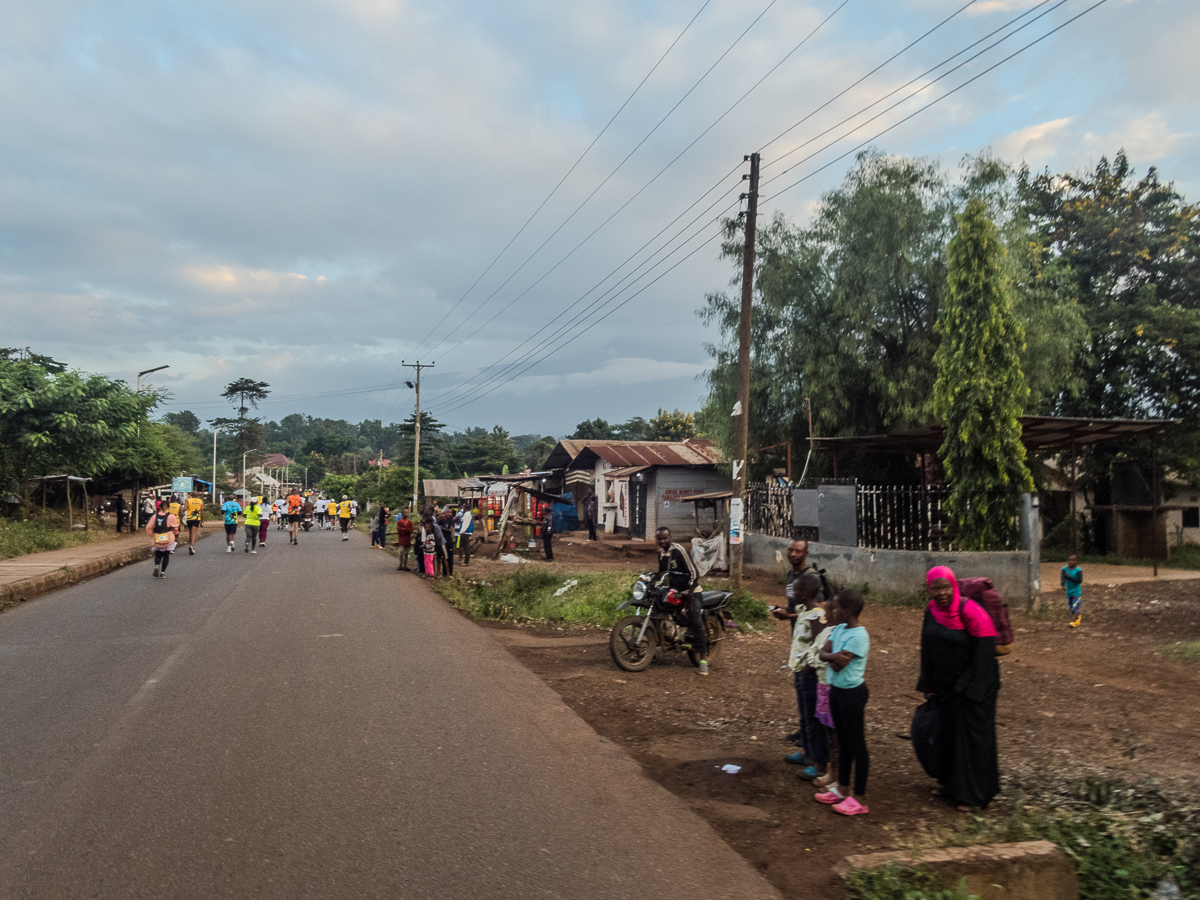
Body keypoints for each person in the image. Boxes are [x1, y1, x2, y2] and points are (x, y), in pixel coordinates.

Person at [918, 565, 1000, 812]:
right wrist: (928, 683)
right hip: (945, 688)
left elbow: (985, 653)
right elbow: (927, 647)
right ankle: (949, 785)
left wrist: (971, 688)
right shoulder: (931, 611)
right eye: (936, 588)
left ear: (953, 586)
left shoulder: (972, 611)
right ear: (929, 589)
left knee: (972, 740)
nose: (941, 593)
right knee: (947, 736)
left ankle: (974, 796)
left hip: (973, 688)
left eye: (945, 587)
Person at [815, 590, 871, 816]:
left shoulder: (858, 636)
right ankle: (842, 789)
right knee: (843, 742)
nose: (832, 611)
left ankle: (858, 797)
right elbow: (823, 654)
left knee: (857, 745)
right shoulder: (839, 629)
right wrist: (832, 656)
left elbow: (839, 664)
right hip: (837, 691)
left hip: (852, 694)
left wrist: (830, 657)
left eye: (835, 608)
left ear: (846, 611)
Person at [784, 575, 829, 779]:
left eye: (794, 591)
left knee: (812, 718)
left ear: (803, 594)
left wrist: (810, 667)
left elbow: (818, 643)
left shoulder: (816, 616)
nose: (792, 595)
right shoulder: (804, 610)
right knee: (805, 715)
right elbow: (798, 616)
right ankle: (808, 754)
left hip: (809, 674)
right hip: (800, 671)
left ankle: (819, 763)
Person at [655, 526, 706, 675]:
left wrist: (690, 593)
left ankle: (703, 658)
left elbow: (694, 573)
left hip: (691, 590)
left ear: (670, 537)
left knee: (696, 619)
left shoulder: (679, 550)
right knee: (657, 610)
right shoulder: (661, 553)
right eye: (659, 539)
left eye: (665, 538)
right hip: (675, 591)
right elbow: (662, 574)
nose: (662, 541)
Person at [146, 500, 179, 578]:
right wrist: (175, 533)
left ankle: (157, 565)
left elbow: (148, 527)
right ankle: (162, 572)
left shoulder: (154, 516)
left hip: (157, 537)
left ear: (160, 507)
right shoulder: (171, 516)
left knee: (158, 554)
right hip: (168, 537)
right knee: (166, 555)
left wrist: (152, 535)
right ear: (169, 507)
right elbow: (175, 528)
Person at [1061, 554, 1083, 628]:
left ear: (1076, 561)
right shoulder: (1064, 569)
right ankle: (1078, 617)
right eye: (1069, 560)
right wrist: (1063, 585)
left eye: (1073, 560)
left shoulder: (1078, 570)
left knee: (1076, 606)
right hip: (1069, 592)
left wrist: (1069, 578)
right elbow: (1063, 578)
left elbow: (1079, 581)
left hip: (1076, 591)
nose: (1070, 562)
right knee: (1071, 607)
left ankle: (1073, 622)